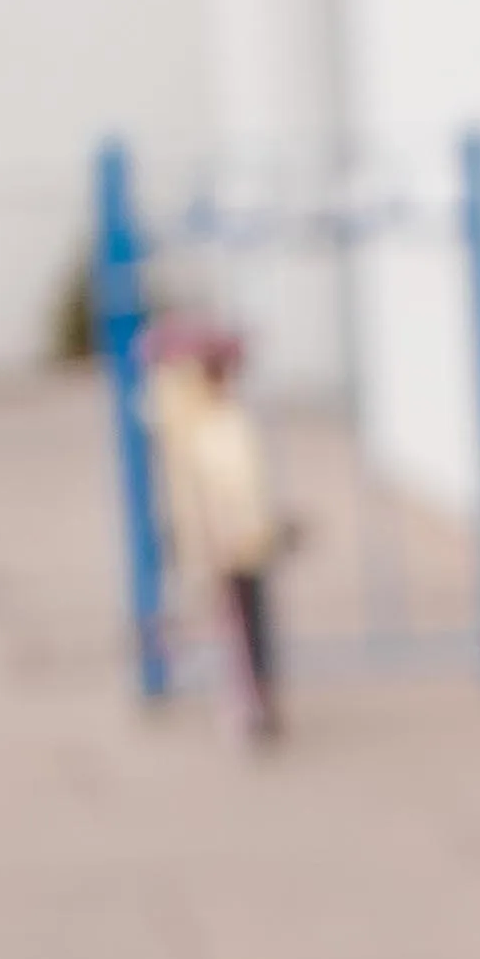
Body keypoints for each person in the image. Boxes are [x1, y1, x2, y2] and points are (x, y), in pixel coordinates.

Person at [137, 313, 283, 739]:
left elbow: (239, 485)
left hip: (233, 542)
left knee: (243, 628)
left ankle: (250, 701)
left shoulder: (216, 422)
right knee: (233, 627)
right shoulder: (198, 417)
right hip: (219, 540)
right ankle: (242, 697)